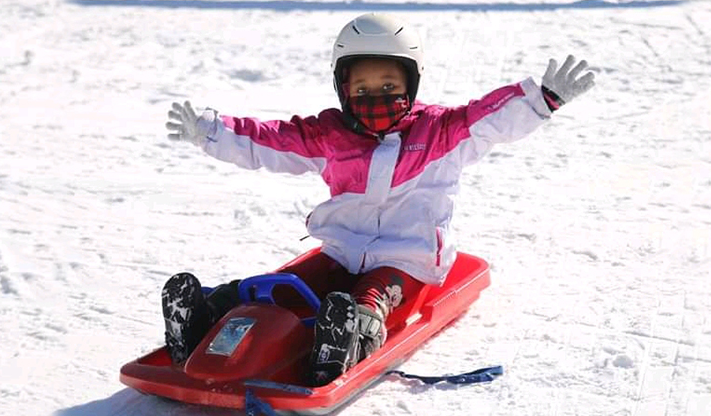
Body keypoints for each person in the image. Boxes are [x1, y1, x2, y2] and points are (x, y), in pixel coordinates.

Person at [161, 13, 595, 386]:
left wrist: (540, 99)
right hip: (342, 250)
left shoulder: (440, 132)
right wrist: (212, 131)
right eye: (363, 88)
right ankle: (209, 317)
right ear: (343, 88)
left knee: (370, 298)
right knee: (285, 288)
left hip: (405, 259)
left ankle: (349, 339)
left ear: (411, 82)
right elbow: (269, 141)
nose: (377, 97)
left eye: (389, 84)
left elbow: (489, 119)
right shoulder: (329, 134)